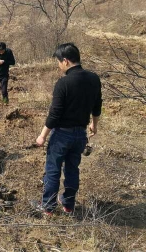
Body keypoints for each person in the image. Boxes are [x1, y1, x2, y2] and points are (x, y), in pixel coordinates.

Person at [32, 43, 102, 216]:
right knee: (72, 169)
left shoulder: (63, 83)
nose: (58, 65)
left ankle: (48, 206)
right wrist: (94, 124)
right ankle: (68, 204)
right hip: (80, 134)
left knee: (53, 169)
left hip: (62, 134)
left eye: (58, 61)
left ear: (65, 61)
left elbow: (54, 115)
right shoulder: (94, 79)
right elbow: (97, 105)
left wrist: (42, 136)